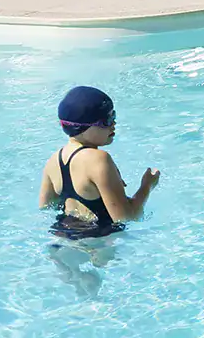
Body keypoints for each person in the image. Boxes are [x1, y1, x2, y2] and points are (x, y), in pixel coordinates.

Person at [37, 85, 160, 239]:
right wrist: (147, 186)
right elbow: (126, 218)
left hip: (63, 240)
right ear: (83, 127)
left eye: (113, 116)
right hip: (98, 244)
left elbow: (45, 207)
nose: (114, 124)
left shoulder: (53, 160)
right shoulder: (99, 160)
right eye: (107, 120)